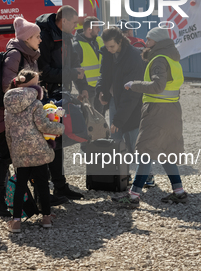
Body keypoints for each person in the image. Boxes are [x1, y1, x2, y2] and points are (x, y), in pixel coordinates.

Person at [111, 27, 188, 207]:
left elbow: (157, 86)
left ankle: (133, 196)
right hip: (172, 110)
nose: (146, 43)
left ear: (158, 41)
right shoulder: (172, 58)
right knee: (167, 152)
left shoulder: (159, 60)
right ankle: (179, 192)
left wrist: (134, 84)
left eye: (149, 40)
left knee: (145, 152)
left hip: (157, 111)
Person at [0, 17, 45, 216]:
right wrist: (36, 90)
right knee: (5, 158)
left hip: (21, 117)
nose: (40, 40)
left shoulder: (31, 55)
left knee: (26, 159)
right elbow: (8, 86)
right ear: (28, 37)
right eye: (37, 36)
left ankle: (32, 203)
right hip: (6, 118)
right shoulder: (15, 55)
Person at [4, 70, 64, 233]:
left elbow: (8, 133)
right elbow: (43, 126)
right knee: (42, 183)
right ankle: (46, 217)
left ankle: (16, 221)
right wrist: (60, 127)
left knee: (20, 185)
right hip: (38, 149)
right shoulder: (36, 104)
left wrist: (13, 152)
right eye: (36, 83)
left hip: (19, 150)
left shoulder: (8, 104)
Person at [36, 5, 86, 200]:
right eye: (73, 23)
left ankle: (59, 186)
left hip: (60, 95)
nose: (75, 27)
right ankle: (48, 189)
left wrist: (82, 87)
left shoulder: (67, 36)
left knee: (57, 141)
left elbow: (73, 64)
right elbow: (44, 72)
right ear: (63, 20)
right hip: (46, 97)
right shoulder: (44, 36)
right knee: (49, 142)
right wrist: (72, 74)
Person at [95, 27, 144, 175]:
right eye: (107, 46)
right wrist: (101, 90)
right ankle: (121, 175)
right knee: (116, 139)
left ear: (120, 41)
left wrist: (119, 119)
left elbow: (132, 95)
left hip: (133, 105)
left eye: (112, 46)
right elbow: (104, 74)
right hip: (116, 101)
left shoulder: (134, 57)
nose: (109, 49)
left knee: (134, 141)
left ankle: (147, 176)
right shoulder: (108, 53)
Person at [73, 16, 103, 107]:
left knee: (100, 116)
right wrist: (82, 89)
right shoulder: (77, 46)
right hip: (87, 89)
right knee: (89, 118)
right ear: (89, 30)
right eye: (97, 28)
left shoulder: (99, 40)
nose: (99, 30)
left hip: (100, 86)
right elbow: (75, 70)